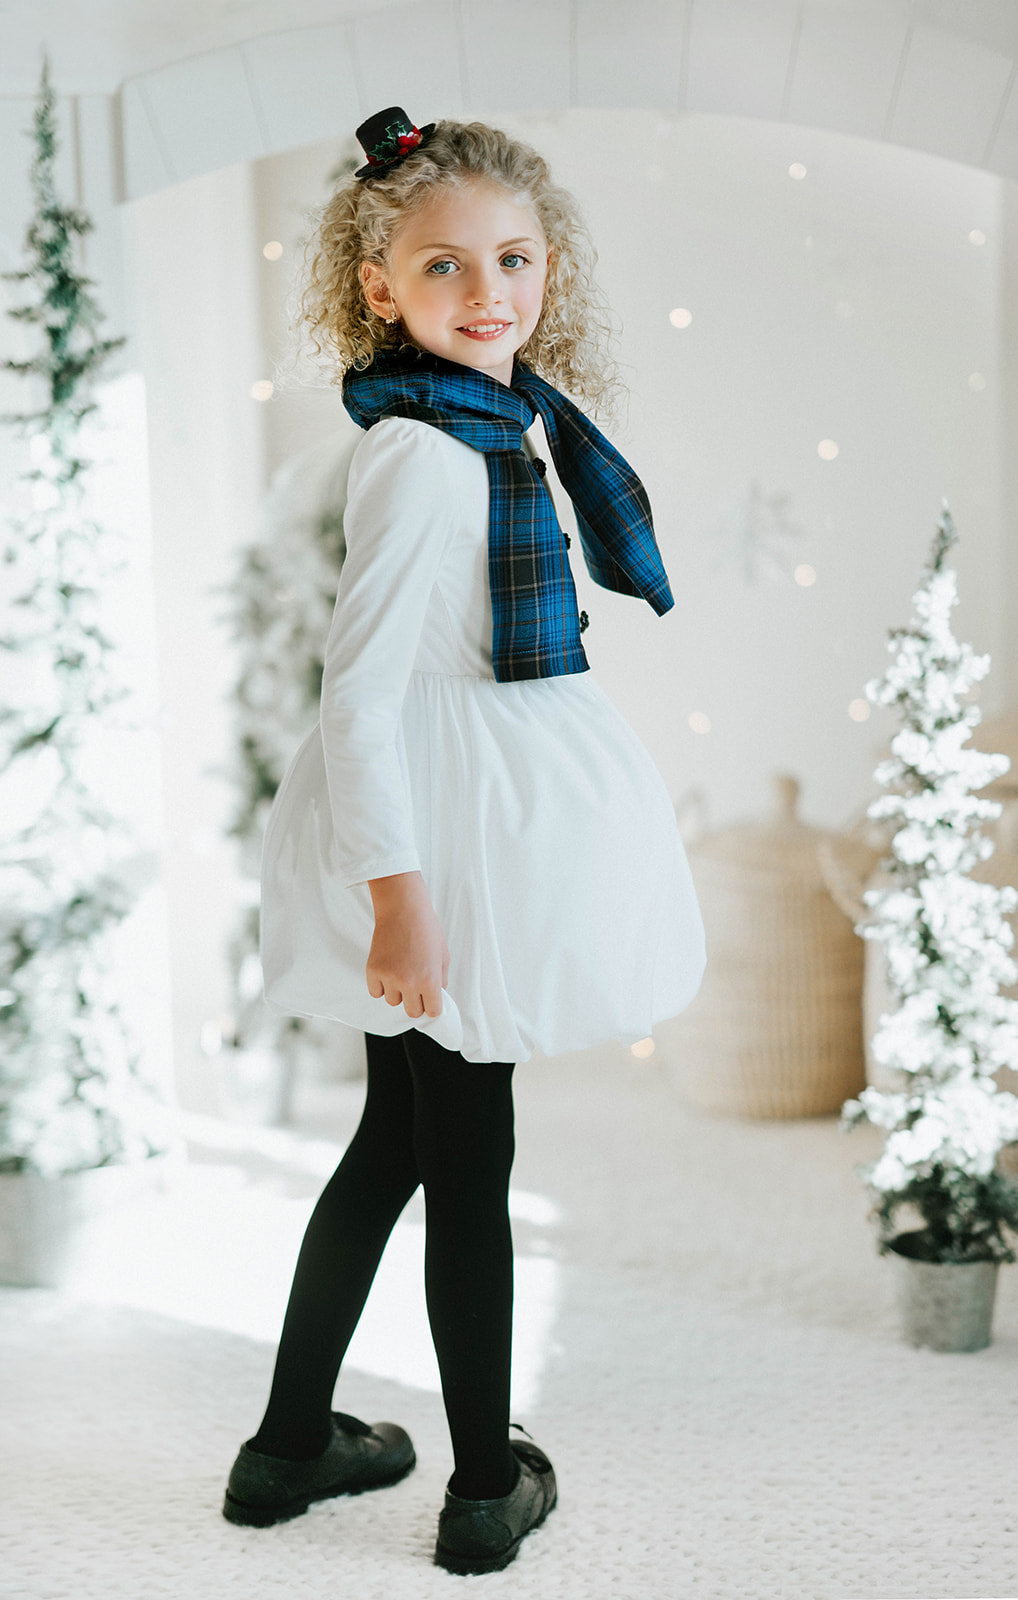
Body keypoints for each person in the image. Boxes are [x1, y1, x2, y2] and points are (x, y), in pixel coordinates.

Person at [222, 107, 707, 1575]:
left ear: (550, 265)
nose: (487, 292)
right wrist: (401, 899)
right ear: (380, 286)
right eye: (444, 266)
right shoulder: (426, 456)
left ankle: (287, 1448)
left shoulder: (493, 424)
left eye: (512, 259)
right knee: (467, 1154)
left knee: (397, 1138)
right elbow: (361, 693)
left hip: (459, 803)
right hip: (437, 832)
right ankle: (487, 1484)